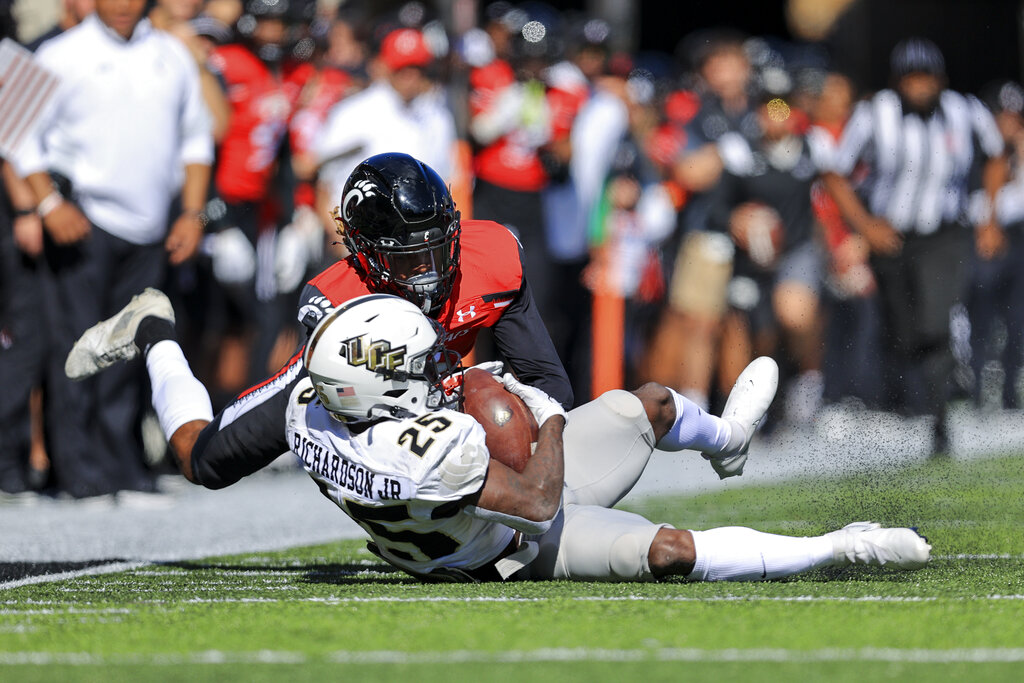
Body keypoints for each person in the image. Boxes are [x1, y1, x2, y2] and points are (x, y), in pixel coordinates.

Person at [65, 289, 931, 582]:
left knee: (652, 403)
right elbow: (540, 499)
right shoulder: (422, 451)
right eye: (423, 367)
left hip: (481, 496)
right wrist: (543, 411)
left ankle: (726, 436)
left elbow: (220, 439)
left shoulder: (311, 401)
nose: (440, 367)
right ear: (382, 391)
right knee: (667, 549)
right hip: (502, 541)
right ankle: (836, 546)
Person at [66, 151, 572, 489]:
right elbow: (369, 427)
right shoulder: (336, 302)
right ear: (367, 255)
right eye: (407, 259)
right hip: (329, 396)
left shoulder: (492, 255)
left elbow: (549, 383)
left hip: (433, 389)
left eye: (437, 250)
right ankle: (152, 329)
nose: (428, 272)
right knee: (200, 461)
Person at [11, 0, 213, 497]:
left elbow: (196, 140)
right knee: (76, 348)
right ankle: (80, 476)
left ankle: (125, 468)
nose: (123, 5)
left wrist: (192, 213)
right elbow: (15, 128)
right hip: (83, 221)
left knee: (133, 351)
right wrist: (48, 203)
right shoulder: (60, 53)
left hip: (150, 228)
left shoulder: (171, 53)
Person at [822, 38, 1006, 455]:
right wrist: (865, 227)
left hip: (945, 233)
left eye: (927, 78)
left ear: (940, 80)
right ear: (897, 81)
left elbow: (996, 155)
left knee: (936, 323)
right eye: (911, 78)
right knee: (904, 334)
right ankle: (906, 401)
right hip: (893, 237)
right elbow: (834, 172)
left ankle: (939, 421)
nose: (920, 87)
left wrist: (989, 218)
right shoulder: (875, 114)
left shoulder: (965, 110)